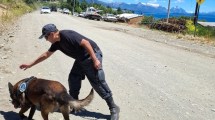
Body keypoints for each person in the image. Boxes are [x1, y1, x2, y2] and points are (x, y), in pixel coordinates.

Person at [19, 24, 120, 120]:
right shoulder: (56, 43)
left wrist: (95, 60)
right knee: (73, 78)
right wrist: (30, 64)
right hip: (80, 58)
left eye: (46, 37)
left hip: (91, 54)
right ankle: (74, 104)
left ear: (51, 34)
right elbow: (46, 54)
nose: (46, 40)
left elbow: (86, 43)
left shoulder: (67, 35)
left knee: (97, 82)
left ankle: (113, 108)